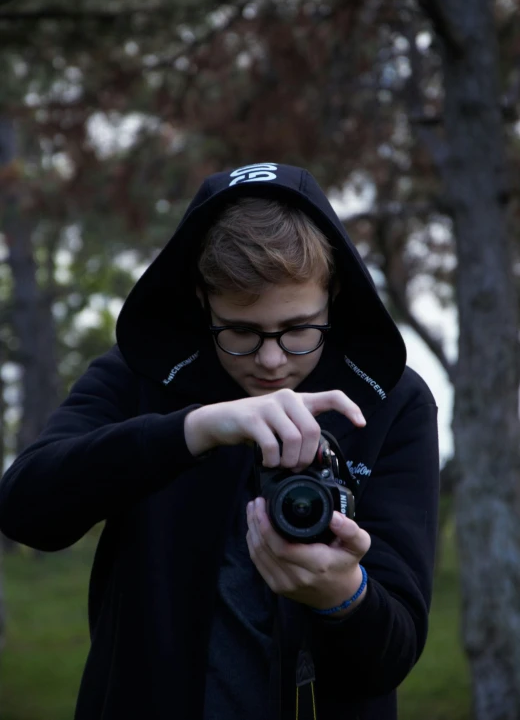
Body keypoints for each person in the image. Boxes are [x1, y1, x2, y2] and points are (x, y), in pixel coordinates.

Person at [0, 162, 439, 720]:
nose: (272, 360)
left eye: (300, 329)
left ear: (334, 295)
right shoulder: (143, 375)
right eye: (242, 333)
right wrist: (196, 428)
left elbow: (393, 654)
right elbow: (25, 507)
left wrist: (343, 595)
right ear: (202, 302)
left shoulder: (392, 402)